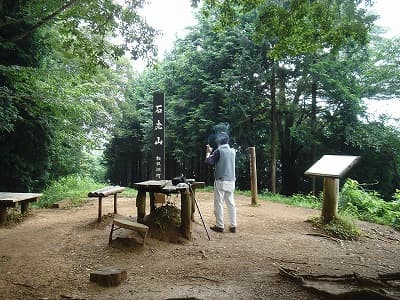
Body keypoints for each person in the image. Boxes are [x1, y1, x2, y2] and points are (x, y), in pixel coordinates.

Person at [205, 132, 237, 233]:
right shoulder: (233, 151)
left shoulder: (218, 151)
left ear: (219, 141)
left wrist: (208, 152)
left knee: (218, 203)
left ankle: (220, 225)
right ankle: (233, 225)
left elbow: (208, 161)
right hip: (231, 180)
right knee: (231, 203)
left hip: (220, 181)